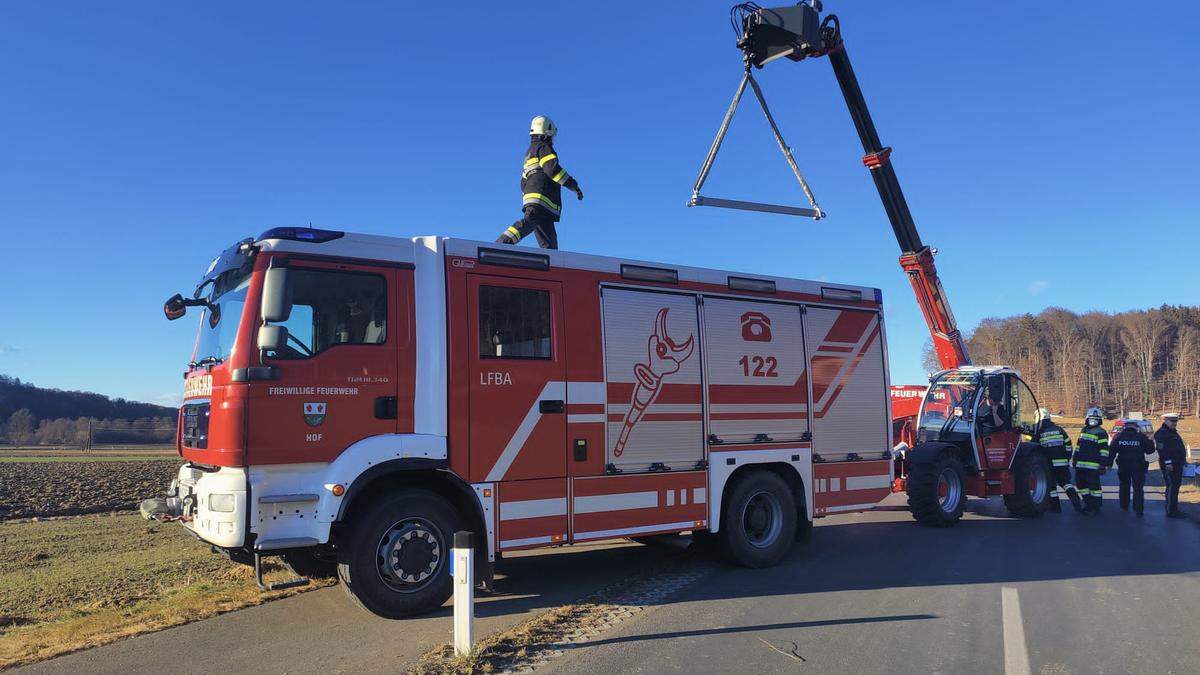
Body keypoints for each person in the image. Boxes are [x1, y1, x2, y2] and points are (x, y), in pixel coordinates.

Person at [496, 115, 583, 250]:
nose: (553, 140)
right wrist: (573, 185)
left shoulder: (529, 153)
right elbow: (552, 169)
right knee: (530, 221)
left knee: (549, 243)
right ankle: (503, 242)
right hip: (541, 199)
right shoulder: (543, 148)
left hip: (540, 202)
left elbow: (523, 182)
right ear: (547, 133)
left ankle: (553, 263)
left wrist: (529, 194)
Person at [1035, 408, 1082, 513]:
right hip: (1062, 463)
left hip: (1048, 464)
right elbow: (1069, 444)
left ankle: (1056, 508)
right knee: (1066, 483)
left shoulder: (1039, 431)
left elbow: (1035, 448)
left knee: (1051, 487)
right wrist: (1067, 458)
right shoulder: (1059, 429)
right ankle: (1076, 502)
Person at [1110, 418, 1155, 516]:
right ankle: (1138, 509)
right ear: (1136, 426)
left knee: (1124, 485)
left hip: (1123, 466)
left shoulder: (1118, 436)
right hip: (1138, 466)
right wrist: (1150, 440)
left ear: (1124, 426)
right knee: (1138, 488)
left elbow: (1112, 451)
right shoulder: (1141, 437)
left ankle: (1124, 505)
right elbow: (1150, 451)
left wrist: (1108, 464)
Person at [1074, 407, 1110, 515]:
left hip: (1093, 466)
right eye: (1091, 418)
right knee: (1081, 485)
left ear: (1099, 420)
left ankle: (1096, 507)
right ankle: (1088, 504)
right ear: (1087, 418)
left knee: (1094, 488)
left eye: (1095, 418)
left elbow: (1104, 450)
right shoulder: (1083, 430)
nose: (1093, 420)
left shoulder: (1101, 432)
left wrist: (1103, 465)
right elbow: (1078, 446)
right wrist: (1075, 459)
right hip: (1081, 464)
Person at [1155, 412, 1187, 518]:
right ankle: (1170, 511)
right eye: (1172, 421)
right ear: (1165, 421)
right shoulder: (1161, 433)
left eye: (1176, 421)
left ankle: (1174, 509)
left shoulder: (1172, 432)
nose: (1175, 423)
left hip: (1177, 464)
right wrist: (1168, 463)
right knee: (1171, 487)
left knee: (1175, 487)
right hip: (1169, 465)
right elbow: (1163, 451)